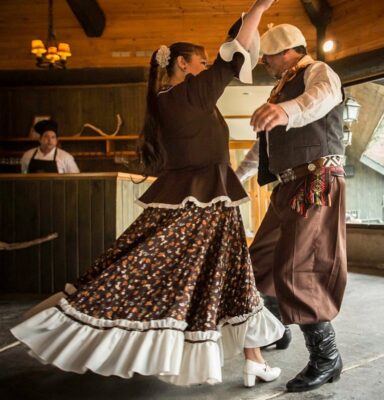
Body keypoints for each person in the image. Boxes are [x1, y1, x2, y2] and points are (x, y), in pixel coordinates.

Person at [11, 0, 284, 387]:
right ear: (184, 65)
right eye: (200, 62)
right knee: (218, 277)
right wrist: (260, 6)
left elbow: (231, 47)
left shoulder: (164, 99)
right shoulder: (192, 94)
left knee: (231, 277)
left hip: (199, 200)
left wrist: (249, 19)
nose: (206, 67)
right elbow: (235, 50)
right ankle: (249, 359)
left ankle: (253, 358)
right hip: (205, 205)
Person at [236, 23, 347, 392]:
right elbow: (265, 147)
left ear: (285, 51)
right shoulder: (281, 88)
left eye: (267, 56)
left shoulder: (318, 71)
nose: (264, 62)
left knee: (295, 268)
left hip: (315, 182)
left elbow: (325, 95)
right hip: (287, 187)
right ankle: (276, 328)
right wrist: (235, 179)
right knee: (258, 264)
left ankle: (326, 357)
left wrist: (286, 110)